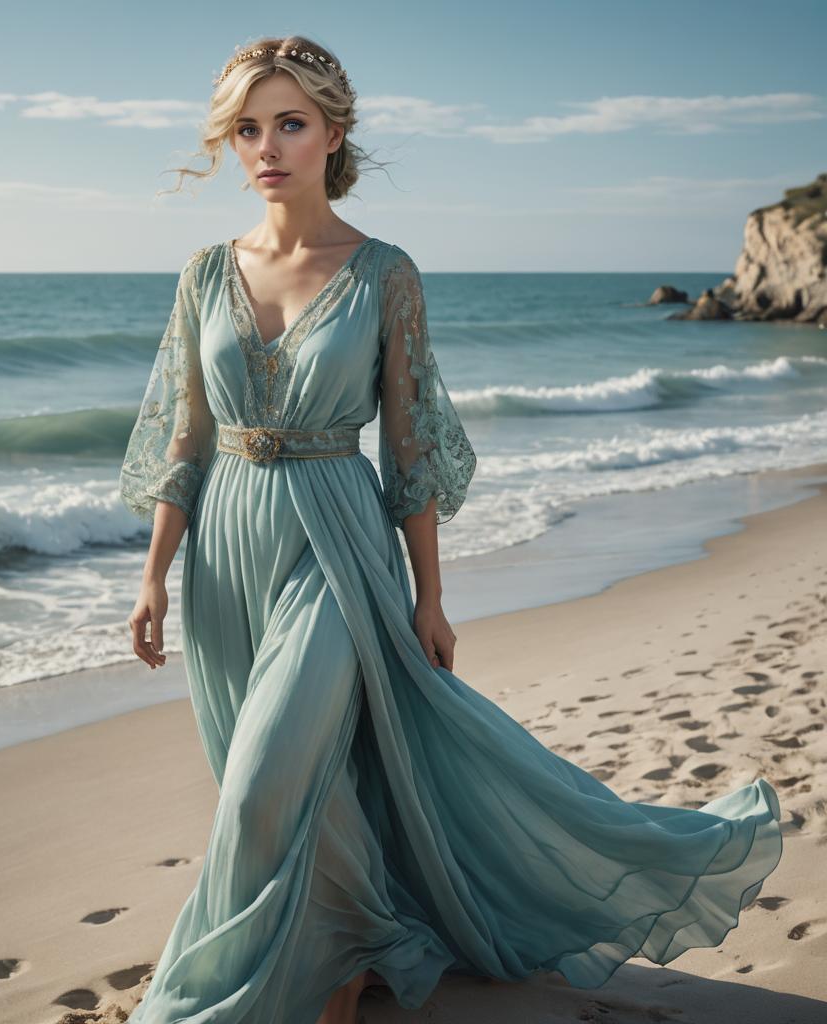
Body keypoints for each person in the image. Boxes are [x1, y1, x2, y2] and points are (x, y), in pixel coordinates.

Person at [118, 35, 784, 1024]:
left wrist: (430, 596)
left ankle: (260, 984)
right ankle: (347, 946)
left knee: (265, 783)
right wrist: (154, 574)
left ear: (331, 133)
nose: (265, 145)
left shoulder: (385, 272)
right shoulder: (203, 272)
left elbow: (411, 447)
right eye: (247, 126)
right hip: (226, 550)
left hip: (338, 544)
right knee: (298, 782)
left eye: (289, 122)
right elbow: (184, 433)